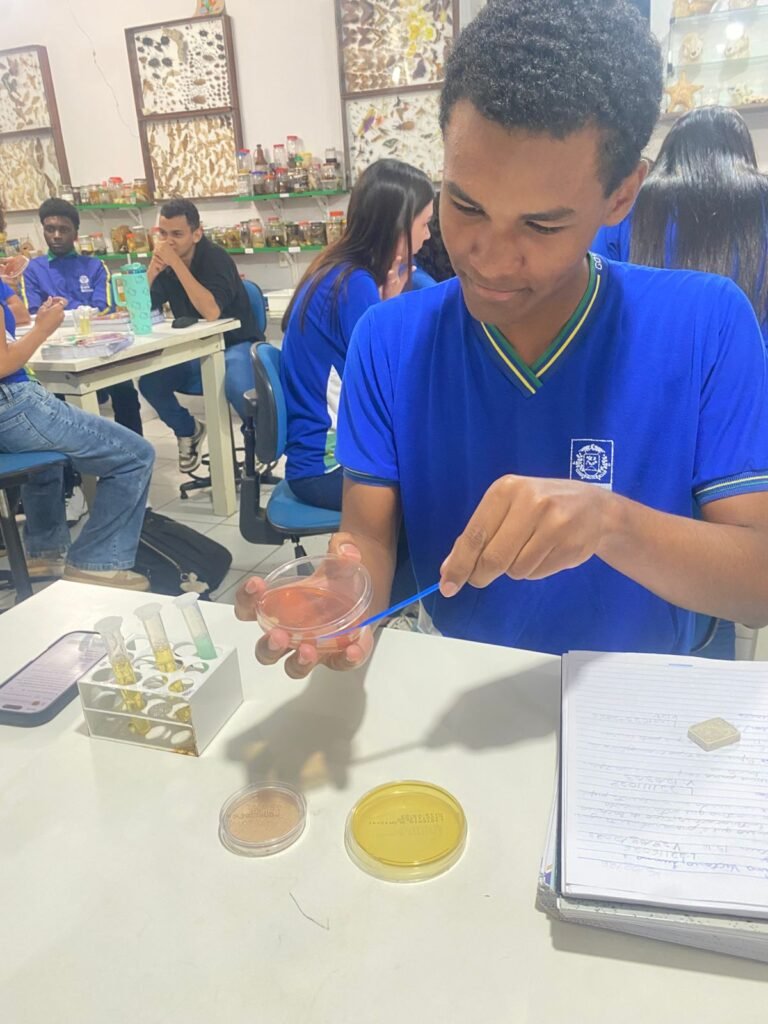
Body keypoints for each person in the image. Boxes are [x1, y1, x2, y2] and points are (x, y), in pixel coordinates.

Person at [237, 0, 768, 678]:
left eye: (541, 226)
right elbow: (367, 538)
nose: (487, 258)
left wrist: (610, 523)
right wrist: (342, 603)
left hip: (640, 697)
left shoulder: (704, 324)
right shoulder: (390, 341)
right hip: (466, 686)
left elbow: (757, 586)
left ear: (621, 196)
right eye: (464, 205)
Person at [279, 158, 434, 511]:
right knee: (444, 488)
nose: (427, 236)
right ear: (398, 225)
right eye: (424, 224)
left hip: (318, 458)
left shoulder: (339, 269)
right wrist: (388, 311)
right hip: (328, 466)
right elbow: (391, 386)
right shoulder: (353, 284)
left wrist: (386, 308)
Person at [0, 288, 155, 590]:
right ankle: (96, 562)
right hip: (13, 404)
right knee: (135, 457)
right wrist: (43, 329)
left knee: (44, 459)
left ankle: (45, 552)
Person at [592, 106, 768, 340]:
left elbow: (596, 292)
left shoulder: (629, 203)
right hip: (754, 359)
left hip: (649, 356)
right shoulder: (761, 203)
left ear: (671, 149)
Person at [139, 198, 260, 473]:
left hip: (237, 342)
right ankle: (189, 430)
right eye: (163, 234)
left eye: (177, 234)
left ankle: (261, 441)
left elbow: (211, 311)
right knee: (151, 383)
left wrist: (176, 265)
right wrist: (152, 272)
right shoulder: (166, 264)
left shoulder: (216, 258)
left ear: (196, 234)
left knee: (237, 384)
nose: (168, 242)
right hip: (195, 349)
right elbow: (140, 309)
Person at [20, 198, 144, 436]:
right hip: (54, 351)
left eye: (63, 229)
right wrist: (79, 311)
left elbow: (103, 307)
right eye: (50, 229)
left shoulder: (95, 266)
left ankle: (136, 450)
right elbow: (35, 313)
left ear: (76, 233)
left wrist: (59, 310)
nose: (56, 235)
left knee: (125, 391)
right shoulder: (33, 269)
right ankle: (73, 458)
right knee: (56, 401)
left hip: (98, 348)